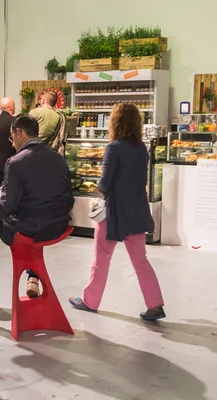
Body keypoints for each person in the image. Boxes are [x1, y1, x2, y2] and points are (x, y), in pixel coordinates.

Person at [69, 103, 166, 321]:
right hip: (137, 210)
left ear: (115, 122)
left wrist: (101, 188)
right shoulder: (142, 148)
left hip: (113, 213)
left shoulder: (114, 148)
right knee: (141, 260)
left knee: (101, 258)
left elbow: (104, 183)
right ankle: (155, 304)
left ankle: (90, 301)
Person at [0, 114, 74, 303]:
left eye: (12, 137)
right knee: (31, 219)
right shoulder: (58, 158)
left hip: (31, 228)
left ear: (19, 132)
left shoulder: (16, 162)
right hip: (58, 227)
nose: (12, 142)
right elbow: (69, 200)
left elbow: (8, 205)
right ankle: (33, 276)